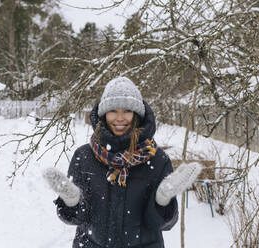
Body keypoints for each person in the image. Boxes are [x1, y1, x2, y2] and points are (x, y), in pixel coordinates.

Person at [43, 77, 202, 248]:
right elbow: (79, 219)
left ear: (136, 115)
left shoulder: (157, 159)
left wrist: (162, 201)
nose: (119, 118)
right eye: (113, 110)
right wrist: (72, 201)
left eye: (127, 110)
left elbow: (164, 225)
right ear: (104, 114)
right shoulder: (84, 157)